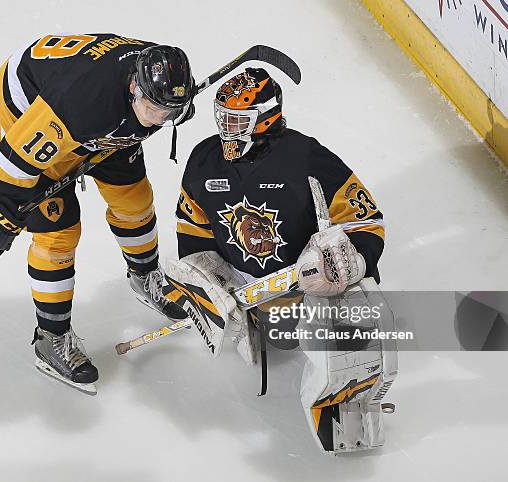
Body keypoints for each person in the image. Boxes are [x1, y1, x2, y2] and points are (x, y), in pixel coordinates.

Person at [165, 68, 394, 452]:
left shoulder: (305, 157)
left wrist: (352, 261)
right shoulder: (203, 160)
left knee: (357, 324)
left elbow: (365, 217)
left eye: (236, 119)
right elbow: (193, 227)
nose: (226, 128)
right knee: (274, 342)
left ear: (265, 118)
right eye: (222, 116)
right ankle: (258, 323)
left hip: (310, 285)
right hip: (246, 294)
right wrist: (206, 283)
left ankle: (344, 410)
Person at [0, 33, 195, 394]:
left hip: (102, 113)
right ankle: (50, 338)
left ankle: (145, 274)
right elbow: (13, 161)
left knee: (134, 198)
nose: (158, 121)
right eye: (154, 109)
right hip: (29, 105)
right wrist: (4, 217)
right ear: (134, 86)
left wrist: (163, 108)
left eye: (169, 113)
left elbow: (158, 107)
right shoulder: (79, 104)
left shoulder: (157, 78)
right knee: (59, 231)